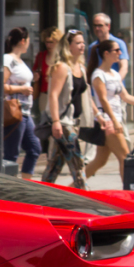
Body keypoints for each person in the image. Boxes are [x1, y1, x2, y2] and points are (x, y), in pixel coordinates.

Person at [85, 39, 134, 181]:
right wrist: (114, 121)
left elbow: (126, 97)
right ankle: (130, 192)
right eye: (116, 50)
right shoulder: (98, 75)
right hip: (109, 122)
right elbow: (103, 100)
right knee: (125, 158)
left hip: (115, 121)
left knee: (99, 161)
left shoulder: (114, 74)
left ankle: (74, 185)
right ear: (106, 54)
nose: (120, 53)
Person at [40, 30, 93, 189]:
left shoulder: (80, 68)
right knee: (78, 164)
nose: (82, 45)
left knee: (53, 166)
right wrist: (56, 121)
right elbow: (53, 96)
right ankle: (85, 196)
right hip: (63, 123)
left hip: (74, 122)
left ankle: (39, 197)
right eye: (77, 42)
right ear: (68, 46)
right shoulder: (61, 67)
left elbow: (86, 95)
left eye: (83, 42)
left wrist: (99, 116)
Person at [3, 28, 41, 180]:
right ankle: (6, 188)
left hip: (25, 112)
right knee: (11, 154)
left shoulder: (19, 61)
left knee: (34, 149)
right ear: (23, 41)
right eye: (29, 40)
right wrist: (22, 89)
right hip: (14, 112)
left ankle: (26, 183)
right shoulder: (8, 59)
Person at [86, 12, 130, 79]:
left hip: (114, 87)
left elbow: (124, 67)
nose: (97, 28)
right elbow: (90, 69)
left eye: (100, 25)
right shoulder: (92, 47)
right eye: (95, 26)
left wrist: (115, 83)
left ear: (108, 26)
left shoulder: (118, 44)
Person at [33, 27, 62, 101]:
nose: (48, 45)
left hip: (60, 95)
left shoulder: (62, 57)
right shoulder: (41, 56)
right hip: (44, 95)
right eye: (46, 42)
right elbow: (34, 73)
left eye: (51, 42)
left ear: (58, 42)